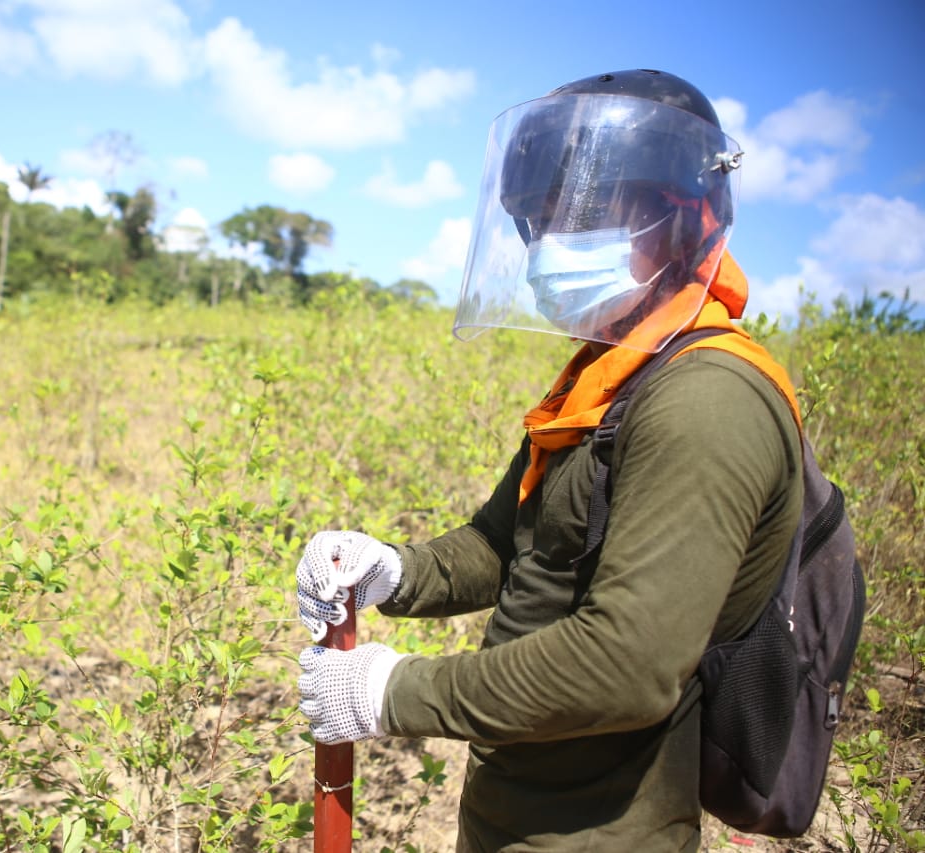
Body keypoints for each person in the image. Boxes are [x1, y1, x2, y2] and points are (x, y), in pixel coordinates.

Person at [295, 69, 805, 851]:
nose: (549, 248)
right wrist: (391, 571)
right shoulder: (609, 378)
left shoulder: (705, 399)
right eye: (534, 224)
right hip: (514, 807)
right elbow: (505, 546)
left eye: (580, 216)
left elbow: (625, 666)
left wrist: (396, 689)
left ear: (680, 216)